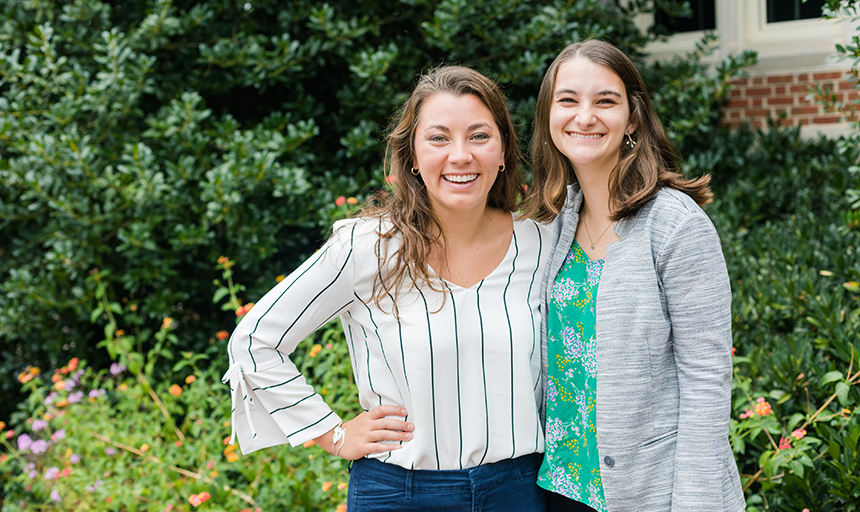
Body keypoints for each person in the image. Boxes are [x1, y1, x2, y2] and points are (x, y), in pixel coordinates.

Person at [222, 65, 550, 512]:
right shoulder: (366, 248)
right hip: (397, 494)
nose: (460, 155)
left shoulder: (542, 243)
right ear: (412, 156)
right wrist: (332, 434)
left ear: (504, 151)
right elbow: (255, 340)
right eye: (438, 138)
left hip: (517, 492)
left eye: (479, 136)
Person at [527, 40, 745, 511]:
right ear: (548, 116)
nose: (585, 116)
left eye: (605, 101)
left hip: (653, 491)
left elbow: (706, 379)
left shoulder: (675, 224)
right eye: (568, 100)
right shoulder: (552, 221)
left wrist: (696, 503)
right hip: (560, 489)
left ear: (633, 119)